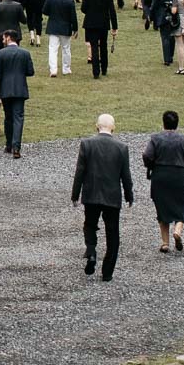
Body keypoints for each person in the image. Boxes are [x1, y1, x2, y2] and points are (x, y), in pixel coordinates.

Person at [71, 114, 136, 281]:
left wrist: (75, 194)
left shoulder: (87, 144)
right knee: (113, 233)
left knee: (90, 225)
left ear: (96, 126)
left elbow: (80, 172)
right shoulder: (122, 147)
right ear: (113, 128)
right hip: (112, 197)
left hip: (91, 194)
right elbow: (125, 175)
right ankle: (107, 272)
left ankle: (91, 251)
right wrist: (129, 195)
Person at [141, 111, 184, 253]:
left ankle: (165, 243)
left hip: (160, 176)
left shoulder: (155, 139)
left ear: (163, 123)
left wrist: (150, 165)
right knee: (180, 204)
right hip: (179, 176)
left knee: (162, 207)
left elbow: (147, 155)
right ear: (177, 124)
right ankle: (177, 230)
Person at [0, 29, 34, 157]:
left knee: (8, 117)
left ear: (8, 38)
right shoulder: (25, 53)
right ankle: (16, 147)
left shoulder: (1, 54)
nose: (3, 40)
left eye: (4, 38)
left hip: (5, 89)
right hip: (20, 89)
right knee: (18, 117)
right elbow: (30, 71)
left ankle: (9, 144)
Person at [80, 0, 116, 78]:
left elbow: (83, 9)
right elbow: (112, 11)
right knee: (103, 46)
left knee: (94, 46)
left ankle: (96, 72)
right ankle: (104, 69)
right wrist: (114, 27)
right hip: (103, 23)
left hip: (90, 23)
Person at [43, 0, 78, 77]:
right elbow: (73, 16)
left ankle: (53, 70)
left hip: (53, 27)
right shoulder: (70, 0)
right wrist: (75, 29)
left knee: (53, 49)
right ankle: (66, 69)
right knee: (66, 49)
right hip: (65, 28)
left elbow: (44, 11)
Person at [150, 0, 179, 67]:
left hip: (162, 15)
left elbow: (154, 5)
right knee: (172, 36)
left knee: (164, 37)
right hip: (174, 15)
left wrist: (151, 16)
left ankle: (167, 59)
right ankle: (171, 56)